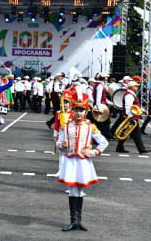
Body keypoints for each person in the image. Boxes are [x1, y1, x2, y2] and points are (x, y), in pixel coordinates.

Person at [57, 91, 108, 231]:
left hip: (83, 162)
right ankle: (73, 220)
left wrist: (93, 152)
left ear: (86, 112)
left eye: (81, 111)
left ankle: (79, 220)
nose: (79, 113)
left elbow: (103, 142)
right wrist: (62, 145)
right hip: (70, 162)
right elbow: (58, 142)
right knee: (72, 190)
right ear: (72, 111)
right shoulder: (66, 126)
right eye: (76, 110)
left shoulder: (90, 126)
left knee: (79, 191)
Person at [116, 81, 151, 154]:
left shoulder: (131, 94)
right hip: (131, 117)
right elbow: (128, 107)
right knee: (136, 133)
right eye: (135, 86)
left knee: (126, 132)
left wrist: (143, 110)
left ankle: (119, 147)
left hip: (131, 116)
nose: (137, 87)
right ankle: (141, 149)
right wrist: (131, 116)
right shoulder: (129, 95)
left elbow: (136, 106)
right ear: (131, 87)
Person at [53, 90, 73, 177]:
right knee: (61, 153)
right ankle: (60, 170)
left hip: (70, 135)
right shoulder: (59, 113)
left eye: (67, 103)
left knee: (70, 153)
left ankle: (69, 171)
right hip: (61, 134)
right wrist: (55, 135)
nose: (65, 104)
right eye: (64, 102)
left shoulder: (73, 113)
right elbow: (57, 125)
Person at [92, 73, 113, 140]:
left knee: (101, 123)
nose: (107, 78)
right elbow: (98, 98)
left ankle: (105, 136)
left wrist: (109, 102)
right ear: (104, 78)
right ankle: (105, 136)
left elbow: (103, 97)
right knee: (103, 123)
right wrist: (99, 108)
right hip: (101, 106)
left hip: (101, 105)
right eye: (106, 77)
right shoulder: (100, 85)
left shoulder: (99, 84)